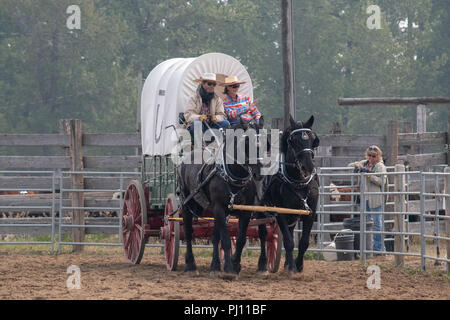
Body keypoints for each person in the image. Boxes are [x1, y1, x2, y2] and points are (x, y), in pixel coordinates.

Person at [348, 145, 387, 253]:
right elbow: (349, 166)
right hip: (364, 198)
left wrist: (368, 174)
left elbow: (381, 181)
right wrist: (357, 165)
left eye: (373, 156)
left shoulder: (380, 166)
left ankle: (378, 248)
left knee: (376, 224)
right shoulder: (365, 163)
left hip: (375, 199)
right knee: (367, 224)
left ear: (378, 156)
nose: (371, 158)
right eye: (369, 155)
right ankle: (369, 247)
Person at [184, 72, 230, 140]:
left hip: (211, 125)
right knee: (197, 124)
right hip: (197, 126)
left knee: (226, 123)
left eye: (214, 84)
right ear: (202, 84)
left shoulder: (217, 99)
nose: (212, 86)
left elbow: (222, 115)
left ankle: (219, 145)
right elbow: (188, 115)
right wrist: (199, 117)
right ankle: (198, 146)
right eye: (209, 84)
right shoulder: (193, 98)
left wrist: (215, 118)